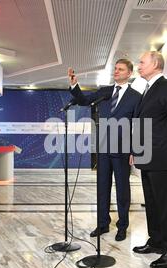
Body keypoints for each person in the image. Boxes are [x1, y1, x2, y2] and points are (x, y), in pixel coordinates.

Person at [68, 59, 141, 241]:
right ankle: (102, 224)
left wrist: (134, 150)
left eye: (120, 69)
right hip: (102, 147)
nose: (116, 72)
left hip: (123, 149)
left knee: (122, 188)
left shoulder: (136, 96)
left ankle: (122, 226)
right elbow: (84, 100)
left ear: (129, 73)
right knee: (102, 187)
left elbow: (138, 124)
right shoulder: (105, 92)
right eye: (115, 69)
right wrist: (74, 85)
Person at [130, 51, 167, 268]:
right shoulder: (149, 89)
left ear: (155, 64)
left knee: (166, 206)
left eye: (142, 62)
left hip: (163, 157)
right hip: (147, 156)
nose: (139, 65)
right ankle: (156, 242)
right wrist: (137, 149)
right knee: (152, 204)